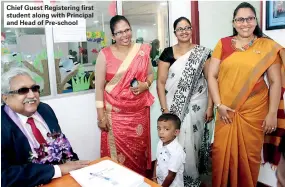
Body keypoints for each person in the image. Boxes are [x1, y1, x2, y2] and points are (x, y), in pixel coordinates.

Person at [208, 2, 284, 187]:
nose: (245, 23)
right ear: (234, 23)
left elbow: (275, 82)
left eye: (249, 18)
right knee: (220, 155)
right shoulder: (223, 44)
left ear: (255, 21)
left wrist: (272, 113)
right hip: (225, 111)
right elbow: (211, 75)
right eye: (240, 19)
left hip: (254, 112)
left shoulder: (267, 46)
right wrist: (218, 105)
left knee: (249, 158)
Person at [1, 68, 90, 187]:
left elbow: (64, 147)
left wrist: (77, 167)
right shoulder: (3, 125)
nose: (32, 95)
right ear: (5, 98)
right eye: (23, 91)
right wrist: (57, 170)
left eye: (34, 88)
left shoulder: (45, 110)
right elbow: (4, 176)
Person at [95, 15, 154, 176]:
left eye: (127, 30)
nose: (125, 35)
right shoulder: (104, 54)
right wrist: (101, 116)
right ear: (113, 36)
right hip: (115, 117)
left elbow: (150, 74)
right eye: (119, 32)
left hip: (139, 114)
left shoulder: (142, 51)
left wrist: (145, 85)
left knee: (139, 155)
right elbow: (99, 87)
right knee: (117, 163)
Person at [157, 16, 213, 186]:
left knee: (193, 144)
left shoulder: (203, 53)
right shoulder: (167, 53)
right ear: (175, 32)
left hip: (197, 105)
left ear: (191, 30)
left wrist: (210, 107)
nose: (184, 31)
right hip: (173, 107)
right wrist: (164, 108)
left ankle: (191, 179)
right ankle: (171, 179)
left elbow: (211, 80)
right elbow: (160, 82)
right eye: (180, 29)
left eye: (187, 28)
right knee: (173, 143)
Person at [153, 113, 185, 187]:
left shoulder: (177, 151)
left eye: (166, 129)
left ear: (176, 132)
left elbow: (171, 175)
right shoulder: (160, 143)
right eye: (159, 128)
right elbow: (157, 160)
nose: (161, 132)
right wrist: (154, 178)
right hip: (159, 181)